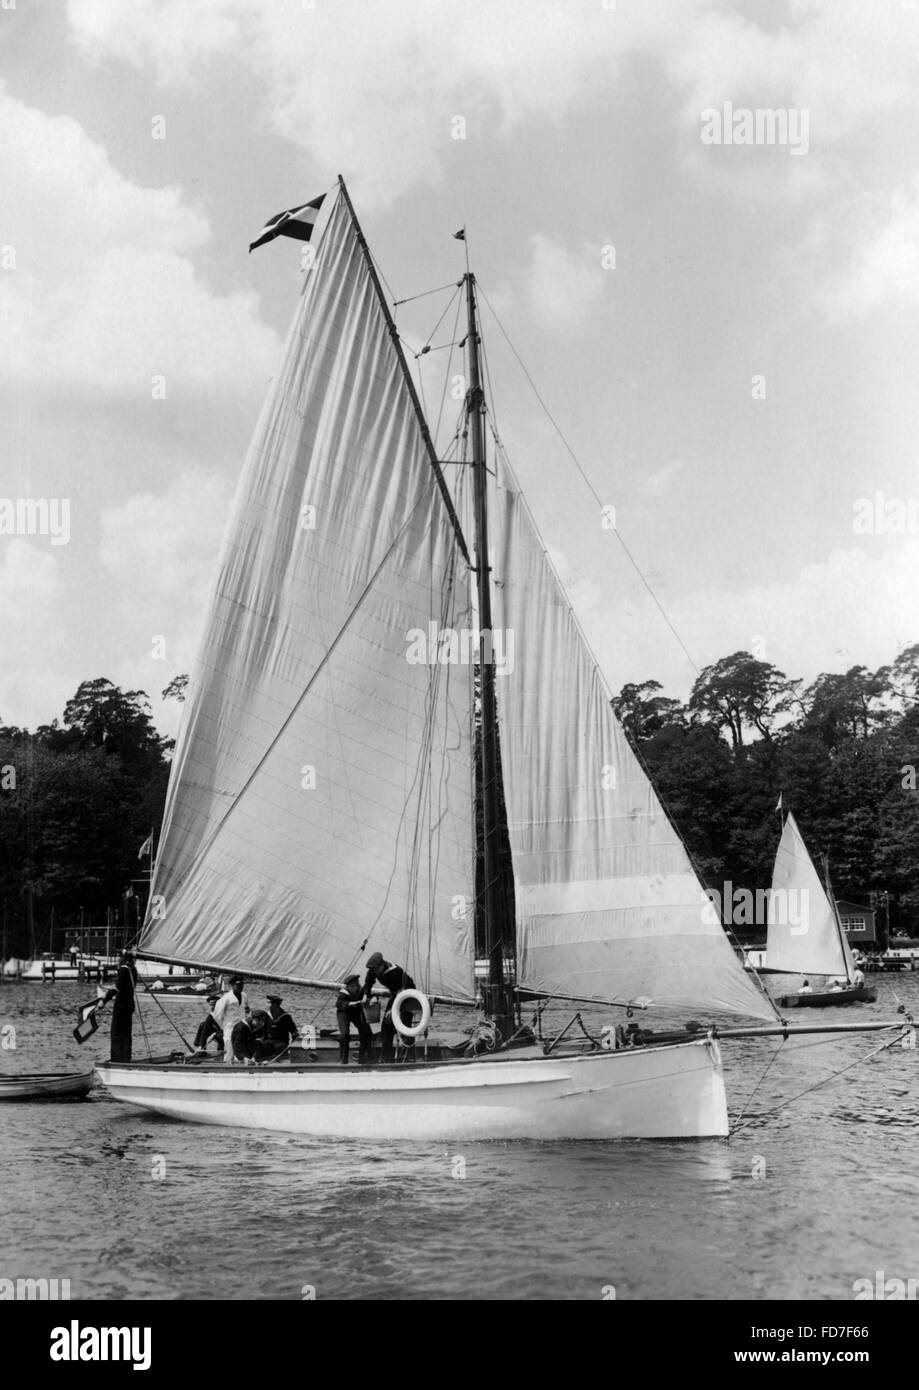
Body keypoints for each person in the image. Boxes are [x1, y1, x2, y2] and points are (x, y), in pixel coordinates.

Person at [363, 952, 417, 1064]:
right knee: (386, 1025)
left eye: (376, 969)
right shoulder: (374, 970)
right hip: (396, 993)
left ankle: (409, 1057)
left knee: (405, 1025)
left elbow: (401, 992)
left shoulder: (394, 972)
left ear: (382, 965)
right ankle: (387, 1058)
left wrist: (392, 1010)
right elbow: (368, 982)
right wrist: (366, 996)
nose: (374, 971)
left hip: (407, 993)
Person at [103, 950, 138, 1063]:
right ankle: (126, 1058)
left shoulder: (123, 970)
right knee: (126, 1033)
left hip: (121, 1005)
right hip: (129, 1004)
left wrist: (104, 1000)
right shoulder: (133, 970)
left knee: (117, 1032)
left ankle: (117, 1059)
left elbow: (117, 988)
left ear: (123, 959)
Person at [336, 974, 373, 1065]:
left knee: (366, 1032)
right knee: (344, 1034)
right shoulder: (343, 993)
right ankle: (343, 1060)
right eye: (353, 986)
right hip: (343, 1012)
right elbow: (339, 1004)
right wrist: (350, 1004)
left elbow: (368, 989)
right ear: (348, 987)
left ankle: (363, 1059)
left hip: (355, 1012)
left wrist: (372, 999)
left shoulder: (360, 991)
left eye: (357, 985)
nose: (356, 988)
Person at [213, 976, 249, 1064]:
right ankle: (227, 1067)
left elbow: (247, 1010)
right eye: (238, 985)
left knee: (240, 1049)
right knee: (229, 1050)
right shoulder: (226, 998)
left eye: (242, 984)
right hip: (230, 1028)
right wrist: (225, 1027)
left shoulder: (244, 996)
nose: (240, 986)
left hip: (241, 1028)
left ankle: (240, 1067)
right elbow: (217, 1016)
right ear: (232, 985)